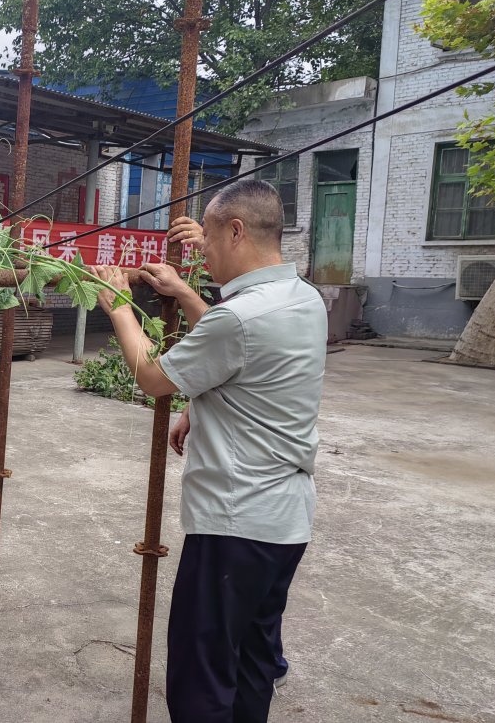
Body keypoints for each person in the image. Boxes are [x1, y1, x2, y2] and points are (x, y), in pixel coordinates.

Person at [93, 179, 327, 723]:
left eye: (211, 240)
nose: (206, 254)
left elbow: (154, 377)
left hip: (233, 523)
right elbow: (245, 357)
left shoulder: (239, 318)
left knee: (201, 677)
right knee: (253, 660)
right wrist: (183, 296)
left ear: (237, 231)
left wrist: (119, 309)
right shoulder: (304, 299)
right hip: (285, 523)